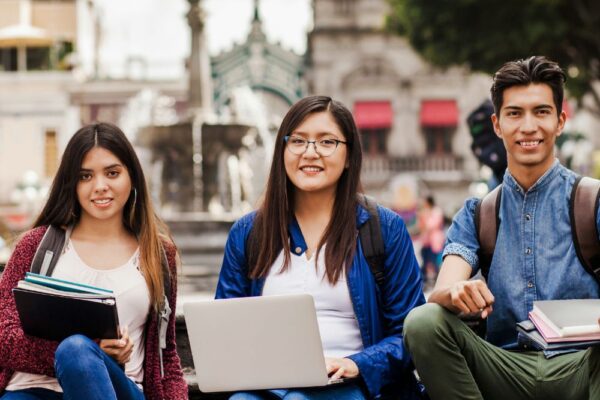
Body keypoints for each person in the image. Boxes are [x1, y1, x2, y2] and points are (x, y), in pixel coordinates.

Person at [403, 56, 600, 400]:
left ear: (560, 121)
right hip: (504, 366)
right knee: (422, 322)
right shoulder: (478, 212)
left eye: (541, 112)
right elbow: (443, 289)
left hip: (585, 365)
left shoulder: (593, 200)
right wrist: (455, 294)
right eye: (514, 113)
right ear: (497, 125)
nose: (528, 126)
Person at [215, 95, 425, 399]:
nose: (310, 153)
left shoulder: (384, 229)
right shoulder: (249, 233)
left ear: (350, 155)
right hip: (266, 387)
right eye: (298, 141)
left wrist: (357, 364)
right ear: (282, 150)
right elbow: (225, 327)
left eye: (327, 142)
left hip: (352, 385)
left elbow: (411, 333)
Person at [0, 123, 187, 400]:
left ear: (132, 177)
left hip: (117, 389)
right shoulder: (36, 246)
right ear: (71, 184)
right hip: (33, 390)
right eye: (85, 176)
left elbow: (167, 353)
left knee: (77, 350)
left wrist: (93, 356)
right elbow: (3, 337)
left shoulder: (158, 253)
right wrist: (93, 348)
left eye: (112, 173)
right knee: (76, 350)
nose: (100, 186)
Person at [417, 196, 444, 284]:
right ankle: (423, 279)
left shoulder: (436, 211)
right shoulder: (425, 211)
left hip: (434, 241)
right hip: (426, 241)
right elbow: (421, 226)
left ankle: (437, 280)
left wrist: (425, 218)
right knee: (425, 259)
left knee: (434, 261)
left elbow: (432, 225)